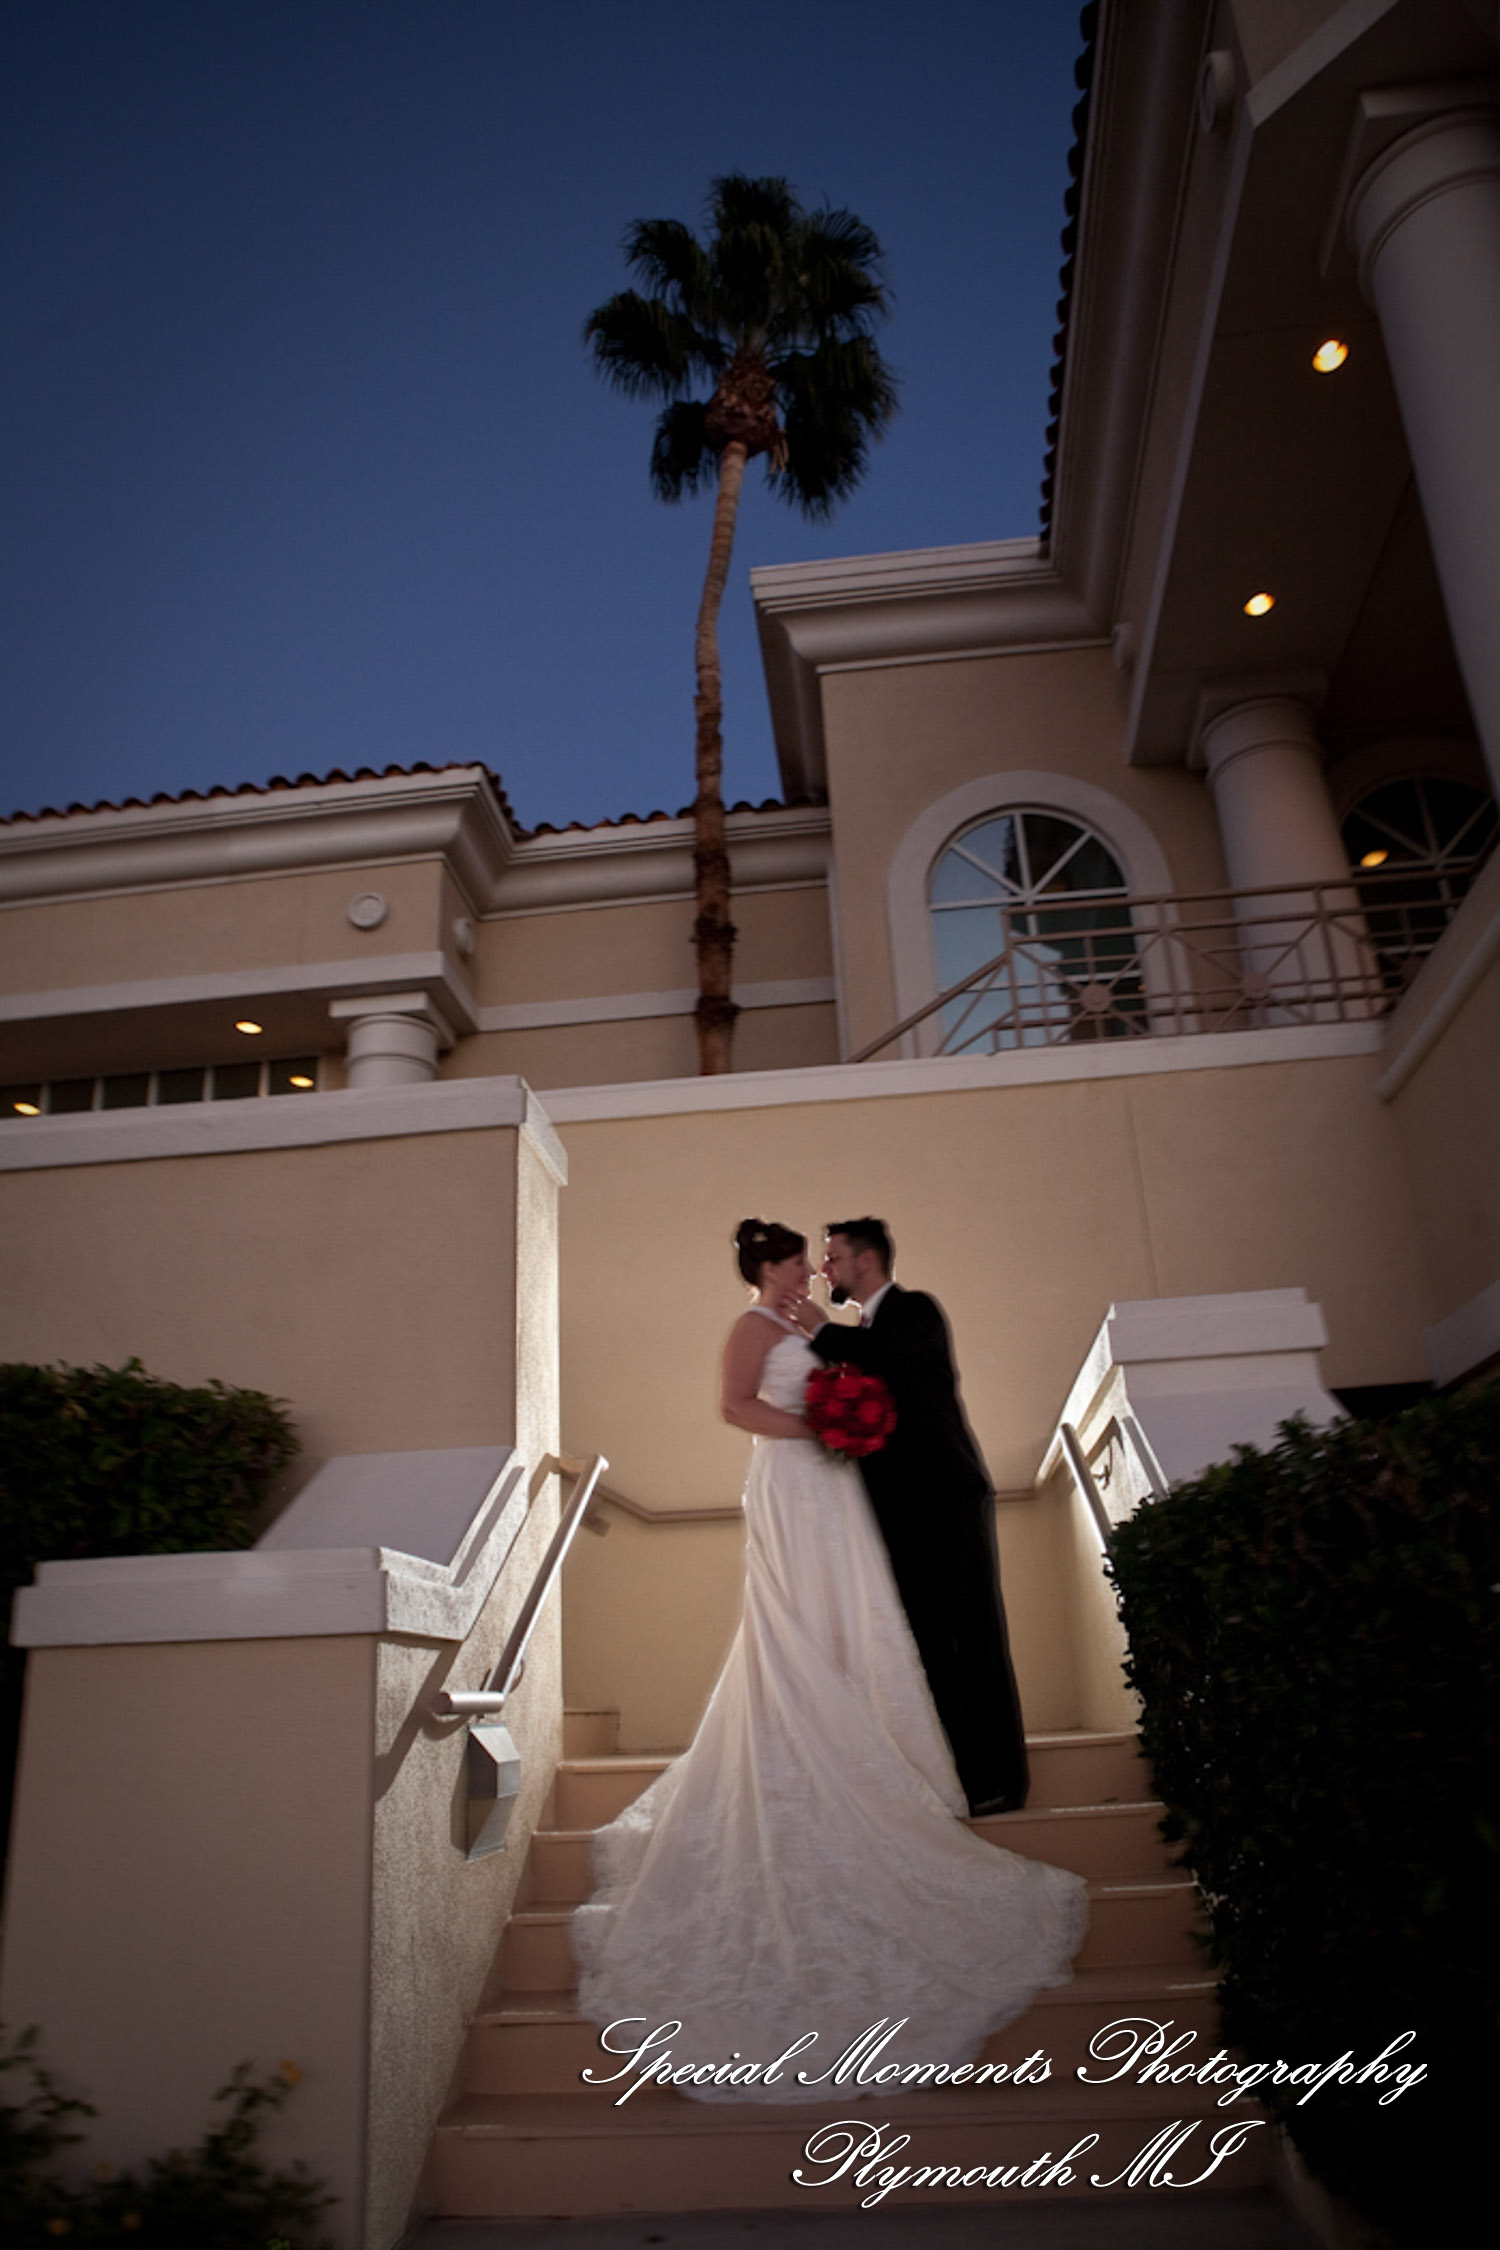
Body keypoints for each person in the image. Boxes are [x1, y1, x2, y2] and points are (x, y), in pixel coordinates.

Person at [570, 1219, 1086, 2104]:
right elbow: (736, 1407)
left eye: (822, 1257)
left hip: (839, 1488)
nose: (814, 1269)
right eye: (801, 1260)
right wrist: (817, 1424)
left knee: (862, 1618)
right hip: (792, 1482)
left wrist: (844, 1415)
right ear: (770, 1267)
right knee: (798, 1624)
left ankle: (880, 1738)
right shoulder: (752, 1327)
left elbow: (873, 1369)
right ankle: (801, 1739)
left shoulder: (823, 1325)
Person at [789, 1218, 1028, 1816]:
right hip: (898, 1511)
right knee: (928, 1642)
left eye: (833, 1258)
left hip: (947, 1501)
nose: (825, 1270)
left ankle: (1003, 1779)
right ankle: (964, 1777)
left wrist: (821, 1330)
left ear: (865, 1261)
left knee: (972, 1633)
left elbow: (886, 1357)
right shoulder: (863, 1332)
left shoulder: (914, 1311)